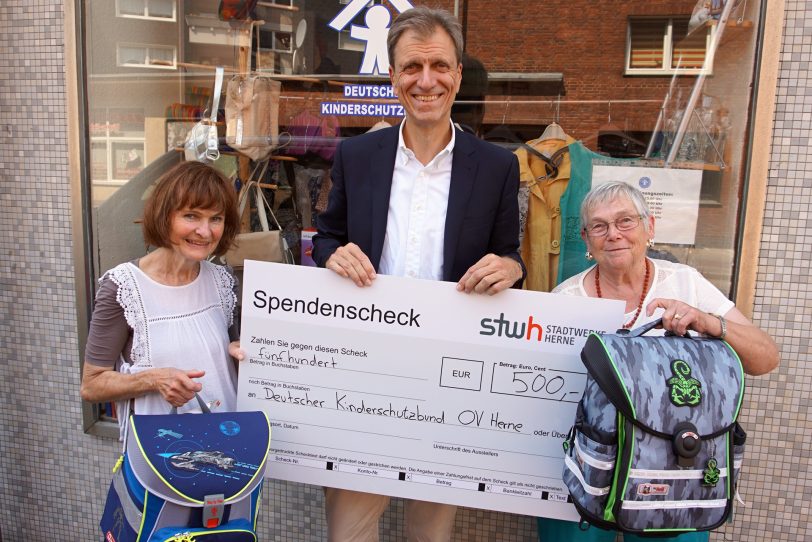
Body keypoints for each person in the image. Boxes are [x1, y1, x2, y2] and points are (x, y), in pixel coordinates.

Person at [312, 6, 525, 541]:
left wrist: (510, 269)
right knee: (350, 529)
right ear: (392, 75)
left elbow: (510, 255)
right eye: (411, 67)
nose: (425, 80)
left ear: (457, 74)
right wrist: (329, 254)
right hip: (364, 371)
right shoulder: (357, 155)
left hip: (449, 378)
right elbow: (326, 236)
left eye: (439, 66)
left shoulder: (497, 166)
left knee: (430, 531)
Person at [537, 181, 779, 542]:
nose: (613, 234)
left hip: (675, 470)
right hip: (591, 469)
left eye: (625, 221)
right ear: (587, 240)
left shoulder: (685, 282)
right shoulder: (565, 300)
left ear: (649, 227)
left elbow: (765, 357)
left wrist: (709, 322)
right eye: (600, 226)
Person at [80, 161, 243, 438]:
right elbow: (92, 385)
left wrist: (242, 353)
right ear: (164, 215)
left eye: (215, 218)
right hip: (162, 452)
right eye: (191, 216)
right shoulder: (124, 287)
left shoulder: (223, 281)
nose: (205, 231)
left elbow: (227, 366)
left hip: (228, 444)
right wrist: (154, 379)